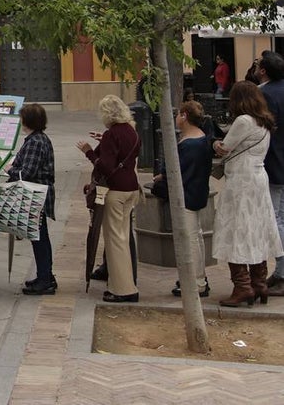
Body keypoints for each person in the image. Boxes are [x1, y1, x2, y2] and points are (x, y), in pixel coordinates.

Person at [212, 81, 284, 306]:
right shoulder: (264, 121)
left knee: (237, 231)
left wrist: (214, 144)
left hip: (242, 180)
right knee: (255, 230)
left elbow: (226, 147)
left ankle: (243, 287)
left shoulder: (243, 121)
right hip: (259, 177)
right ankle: (259, 283)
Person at [78, 95, 142, 302]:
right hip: (132, 188)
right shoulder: (132, 131)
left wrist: (89, 152)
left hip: (115, 191)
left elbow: (105, 166)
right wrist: (103, 143)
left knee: (115, 242)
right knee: (123, 237)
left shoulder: (111, 134)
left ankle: (123, 289)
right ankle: (124, 284)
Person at [152, 101, 213, 298]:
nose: (176, 118)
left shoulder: (189, 144)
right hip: (196, 191)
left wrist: (163, 176)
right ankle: (198, 277)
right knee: (196, 237)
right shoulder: (200, 139)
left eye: (178, 114)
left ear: (185, 115)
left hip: (187, 193)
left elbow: (178, 170)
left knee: (191, 238)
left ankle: (196, 281)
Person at [7, 103, 57, 296]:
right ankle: (45, 275)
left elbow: (27, 173)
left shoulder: (35, 142)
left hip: (36, 196)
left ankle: (45, 278)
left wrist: (10, 170)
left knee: (39, 238)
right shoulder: (39, 139)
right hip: (40, 195)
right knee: (40, 237)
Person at [257, 52, 284, 293]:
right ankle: (280, 271)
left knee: (275, 219)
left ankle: (282, 271)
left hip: (274, 162)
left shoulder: (265, 93)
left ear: (264, 70)